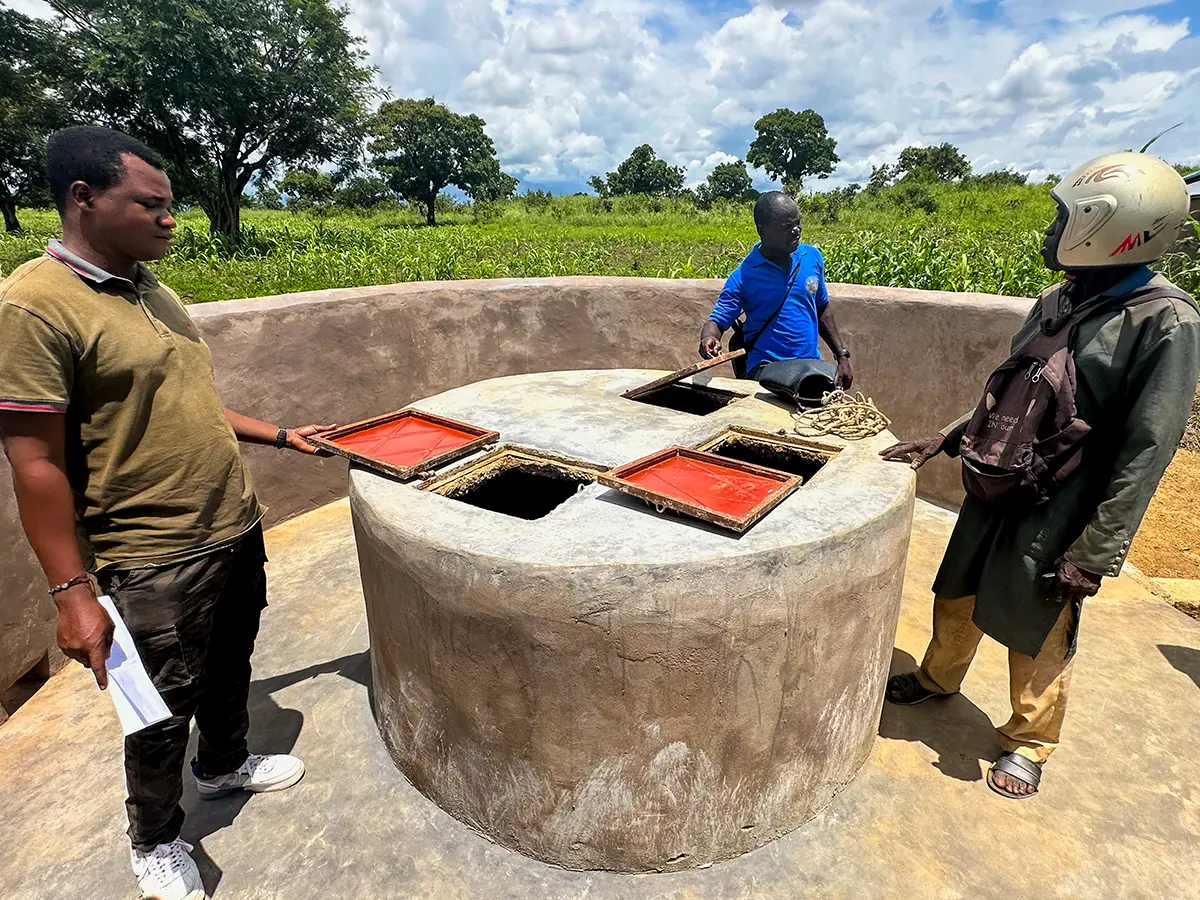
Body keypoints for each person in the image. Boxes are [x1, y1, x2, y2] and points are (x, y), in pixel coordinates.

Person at [0, 126, 337, 900]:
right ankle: (153, 840)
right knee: (158, 708)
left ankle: (222, 765)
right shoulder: (33, 308)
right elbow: (34, 461)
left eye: (171, 206)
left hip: (231, 522)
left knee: (230, 663)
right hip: (150, 552)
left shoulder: (150, 287)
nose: (170, 220)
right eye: (150, 205)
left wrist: (282, 436)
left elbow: (187, 402)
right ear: (84, 199)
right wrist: (73, 594)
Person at [880, 152, 1198, 800]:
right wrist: (946, 437)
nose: (1051, 232)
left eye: (1064, 219)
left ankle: (1029, 740)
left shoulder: (1164, 320)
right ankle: (940, 679)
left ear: (1112, 227)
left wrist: (1097, 551)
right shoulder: (1057, 299)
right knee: (957, 591)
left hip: (1065, 502)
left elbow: (1148, 445)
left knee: (1041, 623)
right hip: (999, 479)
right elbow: (1016, 395)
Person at [699, 191, 853, 389]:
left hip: (810, 366)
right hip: (766, 370)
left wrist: (841, 356)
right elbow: (717, 322)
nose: (796, 230)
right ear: (762, 231)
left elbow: (822, 307)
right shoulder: (744, 276)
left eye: (798, 223)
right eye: (787, 227)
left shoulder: (811, 257)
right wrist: (708, 339)